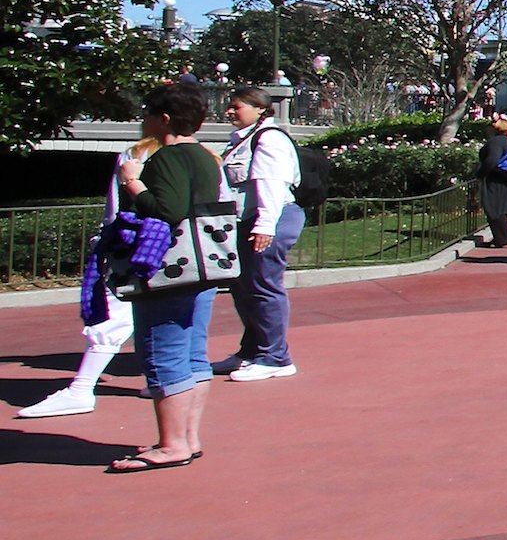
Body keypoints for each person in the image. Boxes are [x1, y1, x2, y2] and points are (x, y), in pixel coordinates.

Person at [110, 83, 228, 471]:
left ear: (163, 119)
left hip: (169, 271)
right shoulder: (207, 157)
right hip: (203, 267)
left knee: (163, 354)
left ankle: (172, 443)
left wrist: (134, 181)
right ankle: (187, 437)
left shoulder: (167, 158)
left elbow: (167, 210)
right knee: (193, 354)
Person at [18, 142, 142, 419]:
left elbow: (124, 205)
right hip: (177, 251)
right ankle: (167, 383)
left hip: (134, 246)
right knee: (163, 316)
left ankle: (82, 388)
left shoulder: (138, 154)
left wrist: (106, 236)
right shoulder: (204, 157)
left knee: (113, 314)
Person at [214, 86, 303, 382]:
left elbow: (271, 184)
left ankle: (275, 357)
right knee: (243, 287)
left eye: (236, 107)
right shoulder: (243, 139)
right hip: (248, 219)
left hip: (269, 219)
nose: (229, 111)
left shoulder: (269, 140)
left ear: (259, 109)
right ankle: (251, 350)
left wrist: (264, 226)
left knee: (263, 286)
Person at [476, 115, 507, 247]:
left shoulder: (496, 142)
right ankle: (502, 237)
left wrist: (480, 173)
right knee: (503, 209)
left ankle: (501, 238)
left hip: (497, 179)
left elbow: (491, 161)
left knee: (494, 208)